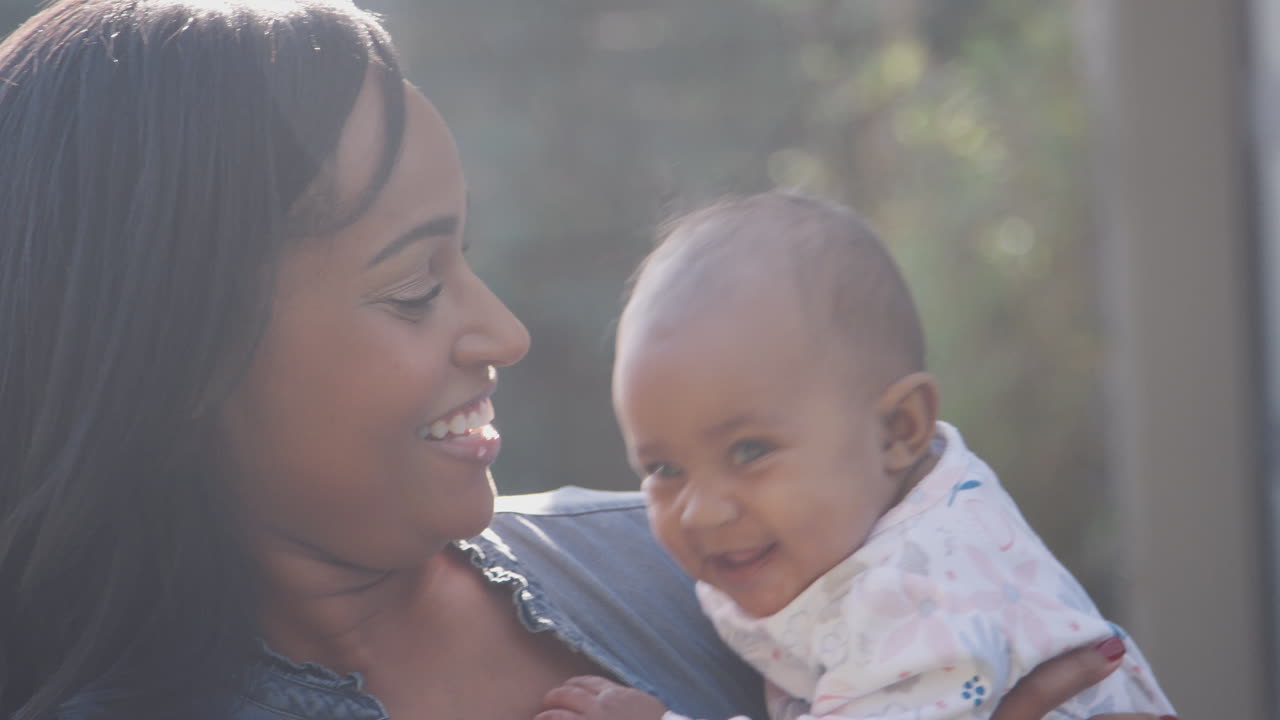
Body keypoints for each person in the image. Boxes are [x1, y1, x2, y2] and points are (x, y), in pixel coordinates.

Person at [0, 2, 1169, 719]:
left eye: (469, 258)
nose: (502, 333)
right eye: (414, 285)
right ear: (184, 359)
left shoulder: (712, 568)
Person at [538, 193, 1177, 720]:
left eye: (750, 451)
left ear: (898, 429)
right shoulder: (870, 521)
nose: (702, 510)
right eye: (663, 469)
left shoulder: (922, 598)